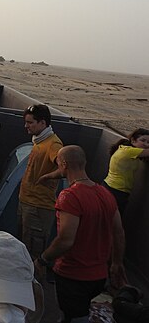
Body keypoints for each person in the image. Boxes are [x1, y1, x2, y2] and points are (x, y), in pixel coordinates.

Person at [35, 145, 127, 323]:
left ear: (63, 164)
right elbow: (119, 233)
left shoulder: (69, 196)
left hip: (73, 275)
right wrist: (116, 263)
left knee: (72, 317)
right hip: (99, 276)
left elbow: (66, 240)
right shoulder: (105, 193)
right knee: (80, 314)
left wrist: (42, 260)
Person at [17, 104, 63, 259]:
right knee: (22, 249)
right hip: (26, 202)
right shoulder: (39, 141)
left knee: (32, 254)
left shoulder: (53, 144)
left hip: (38, 207)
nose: (26, 126)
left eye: (30, 122)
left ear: (43, 123)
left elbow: (65, 168)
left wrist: (47, 177)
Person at [103, 128, 149, 214]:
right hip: (117, 191)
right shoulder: (129, 151)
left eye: (148, 142)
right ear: (133, 140)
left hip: (110, 187)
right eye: (143, 140)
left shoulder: (124, 149)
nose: (146, 144)